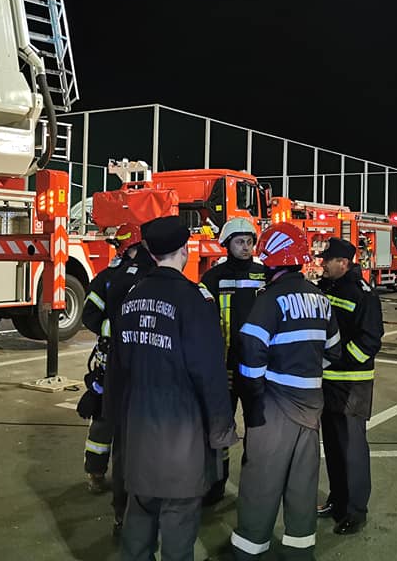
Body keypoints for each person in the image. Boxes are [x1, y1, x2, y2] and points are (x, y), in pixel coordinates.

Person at [113, 215, 237, 561]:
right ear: (185, 249)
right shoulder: (193, 298)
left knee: (139, 512)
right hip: (181, 430)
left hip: (138, 427)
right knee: (179, 518)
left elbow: (121, 363)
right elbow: (208, 370)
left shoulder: (132, 296)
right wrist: (221, 428)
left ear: (151, 253)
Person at [231, 222, 341, 561]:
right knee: (302, 484)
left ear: (273, 261)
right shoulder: (320, 298)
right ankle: (299, 549)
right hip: (311, 406)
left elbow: (249, 350)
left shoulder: (271, 301)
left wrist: (255, 394)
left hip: (274, 407)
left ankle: (250, 550)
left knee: (260, 483)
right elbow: (333, 351)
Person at [78, 223, 154, 534]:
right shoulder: (153, 274)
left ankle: (96, 472)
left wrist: (108, 332)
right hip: (144, 359)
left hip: (110, 360)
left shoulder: (108, 277)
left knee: (104, 415)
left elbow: (90, 315)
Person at [315, 237, 383, 535]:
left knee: (352, 449)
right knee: (332, 445)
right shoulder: (326, 288)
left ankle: (356, 510)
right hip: (327, 382)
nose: (322, 264)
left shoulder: (363, 294)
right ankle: (338, 500)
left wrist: (339, 361)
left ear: (343, 263)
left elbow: (370, 340)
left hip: (352, 385)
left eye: (327, 260)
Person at [199, 217, 265, 506]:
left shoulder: (265, 274)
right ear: (226, 244)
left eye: (250, 241)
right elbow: (201, 323)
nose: (246, 247)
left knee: (258, 431)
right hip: (224, 368)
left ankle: (255, 485)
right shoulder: (212, 279)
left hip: (257, 370)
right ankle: (216, 486)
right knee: (220, 431)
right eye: (240, 242)